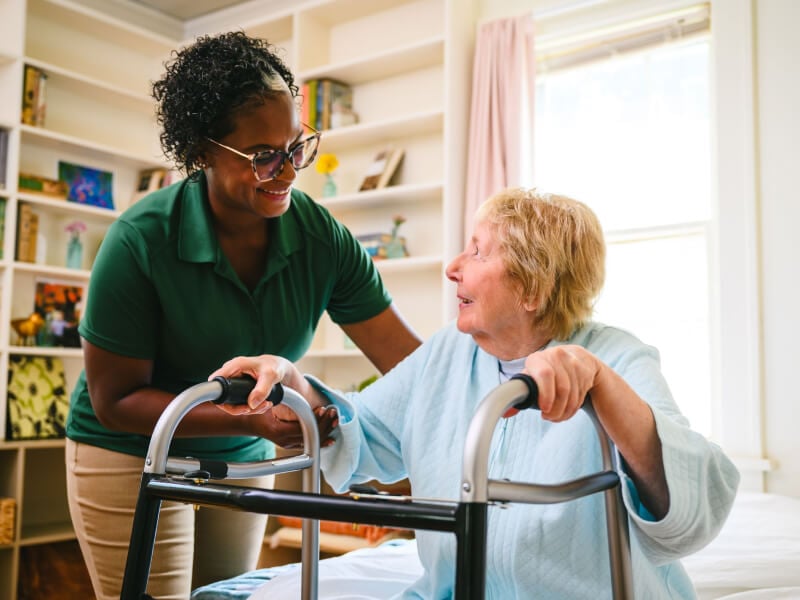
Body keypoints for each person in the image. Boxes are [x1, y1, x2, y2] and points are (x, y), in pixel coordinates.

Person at [213, 187, 740, 599]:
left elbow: (694, 502)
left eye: (477, 251)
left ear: (533, 289)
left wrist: (597, 381)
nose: (452, 268)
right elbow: (359, 427)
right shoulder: (447, 353)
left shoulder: (618, 356)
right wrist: (291, 379)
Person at [64, 31, 421, 600]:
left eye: (296, 147)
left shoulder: (320, 238)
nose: (287, 172)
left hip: (241, 456)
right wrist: (246, 419)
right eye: (263, 157)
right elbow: (116, 401)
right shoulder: (140, 241)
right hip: (131, 451)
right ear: (202, 151)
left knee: (232, 594)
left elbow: (412, 367)